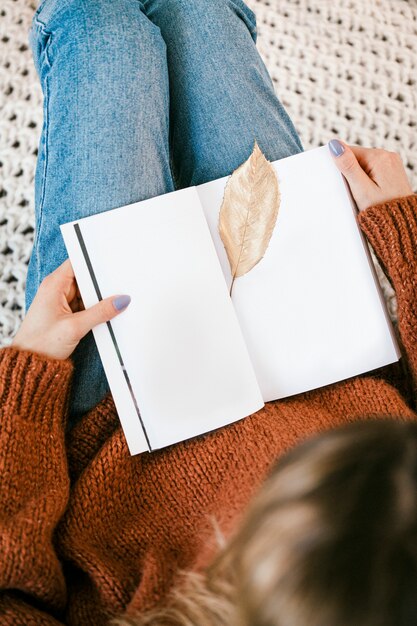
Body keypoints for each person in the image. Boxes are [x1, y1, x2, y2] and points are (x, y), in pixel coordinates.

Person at [0, 0, 416, 624]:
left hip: (122, 406)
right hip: (329, 338)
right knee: (198, 13)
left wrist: (28, 379)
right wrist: (405, 234)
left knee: (102, 31)